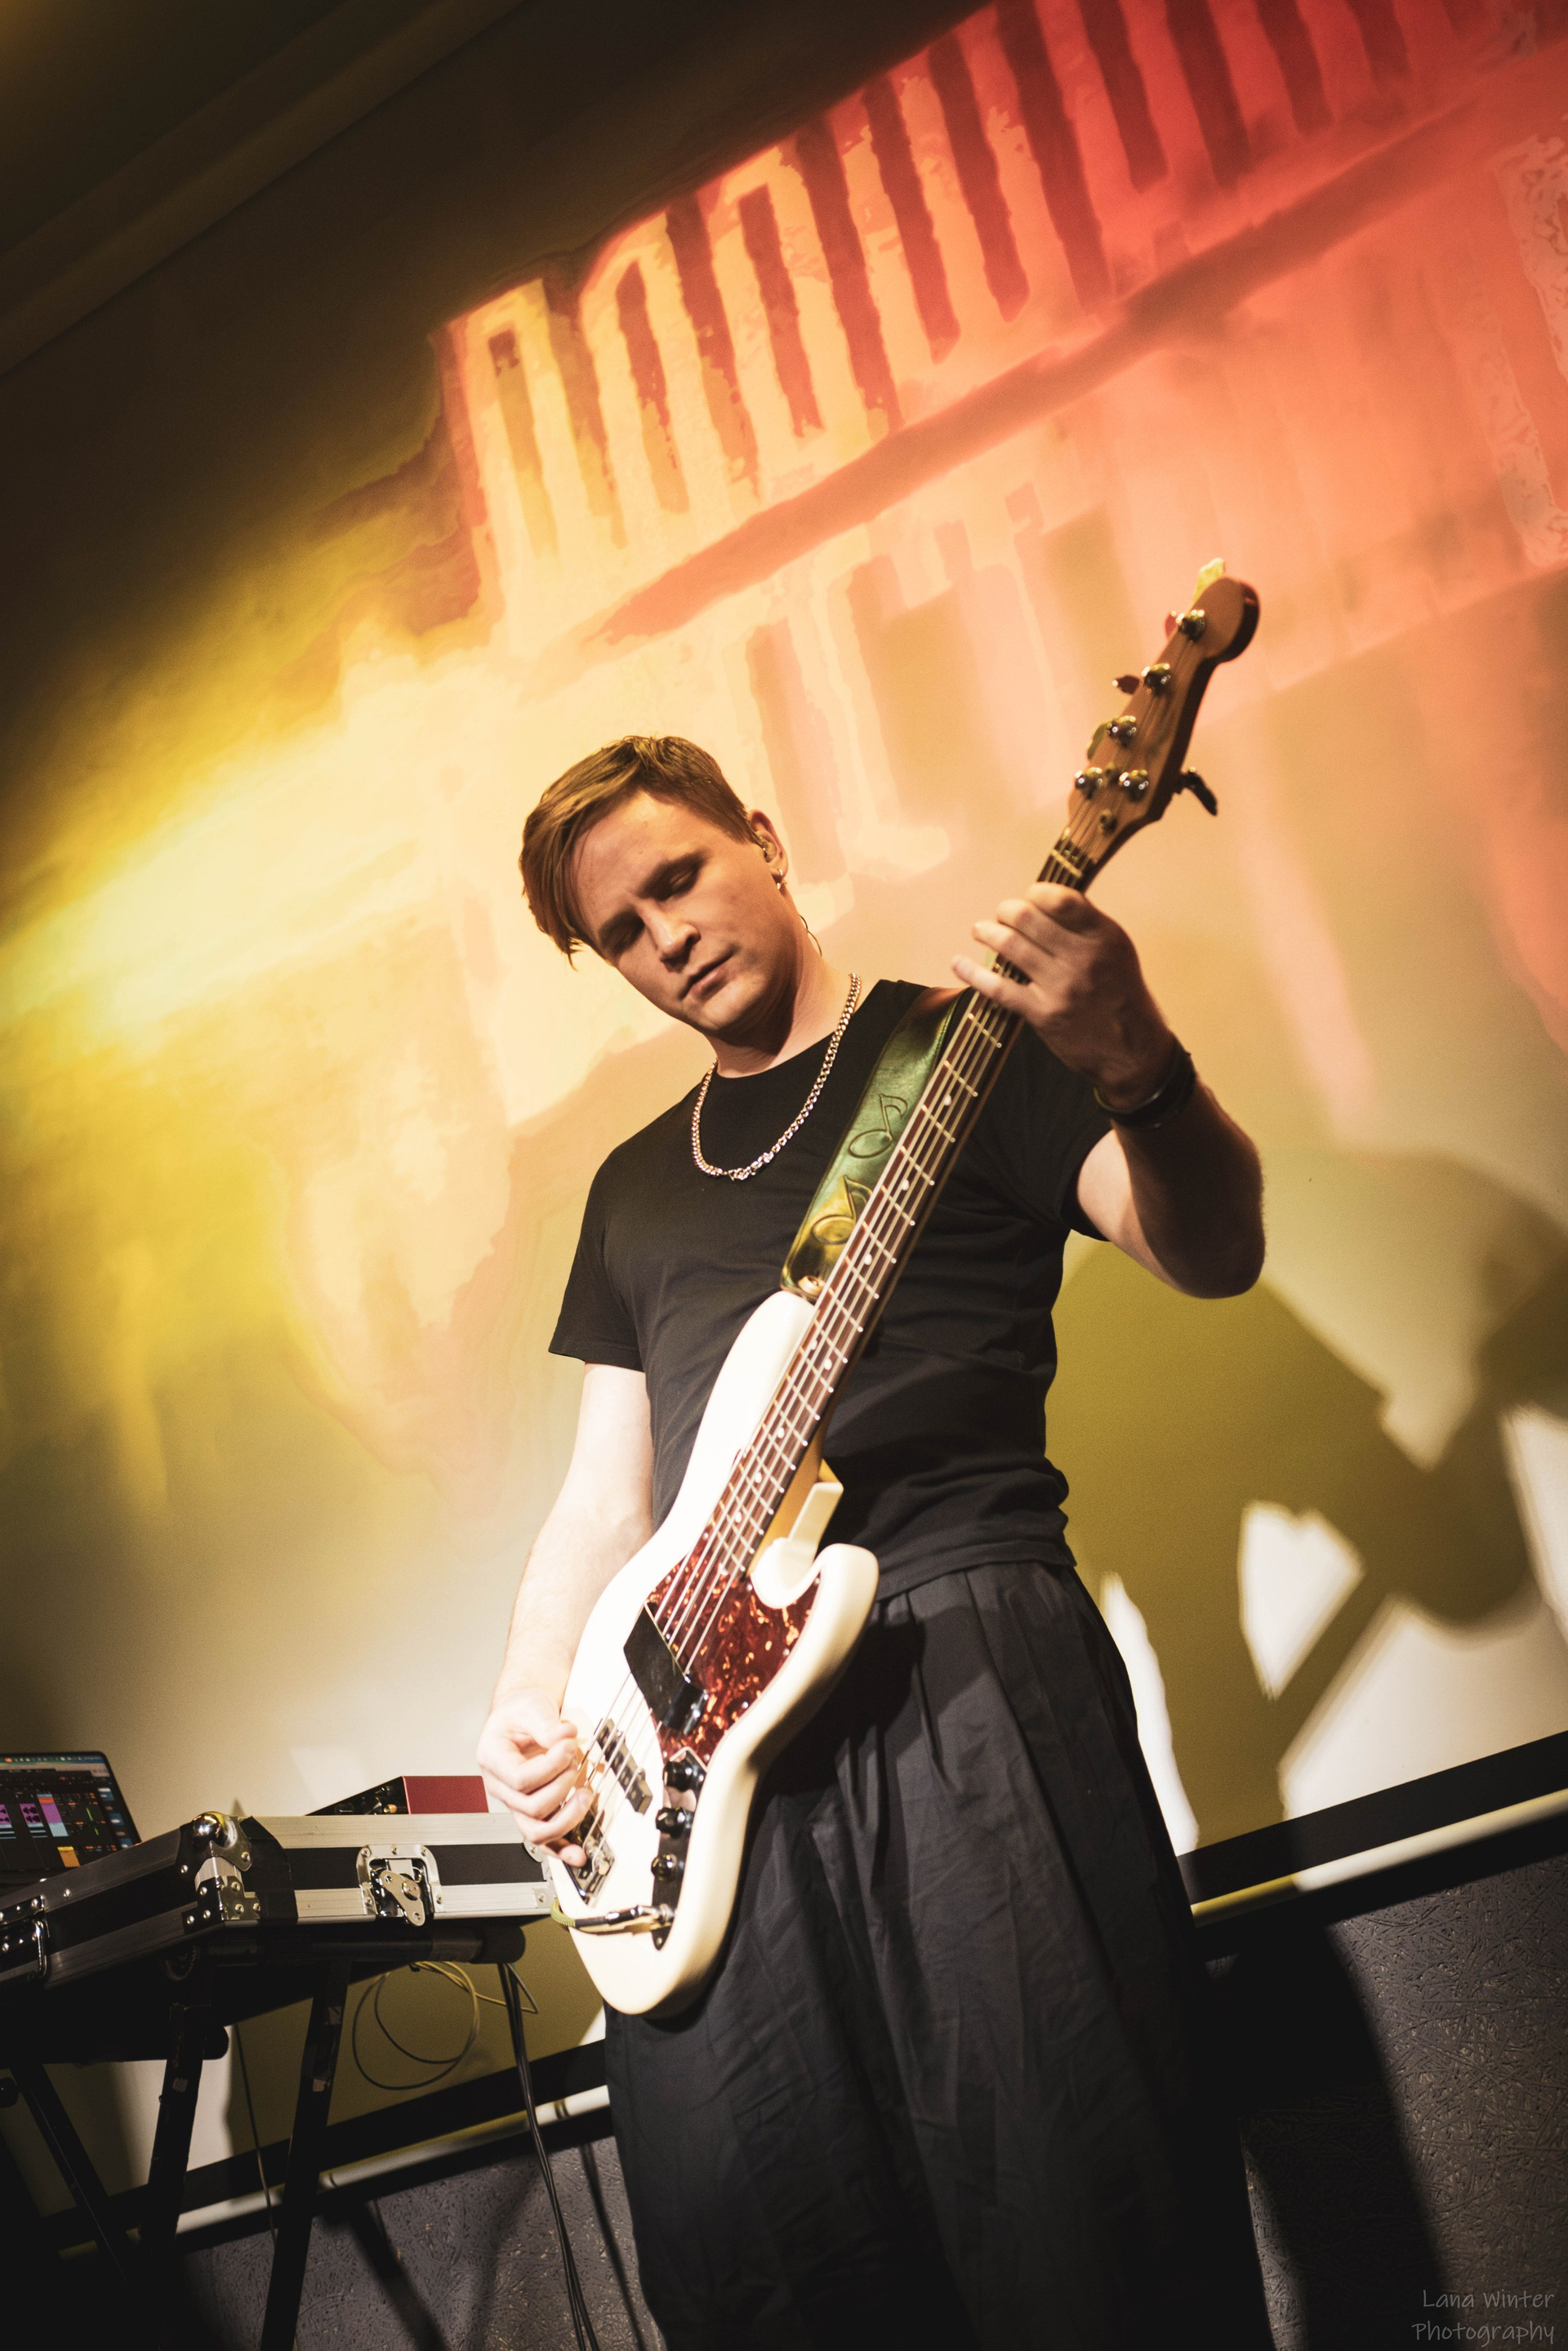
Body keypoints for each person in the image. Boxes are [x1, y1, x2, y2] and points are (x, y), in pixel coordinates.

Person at [478, 734, 1272, 2349]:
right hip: (704, 1760)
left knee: (1078, 2209)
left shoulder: (972, 1048)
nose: (667, 936)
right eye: (623, 931)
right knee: (771, 2254)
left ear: (764, 837)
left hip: (958, 1669)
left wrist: (1141, 1065)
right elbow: (606, 1497)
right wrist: (529, 1698)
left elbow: (1214, 1246)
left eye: (680, 877)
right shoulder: (634, 1189)